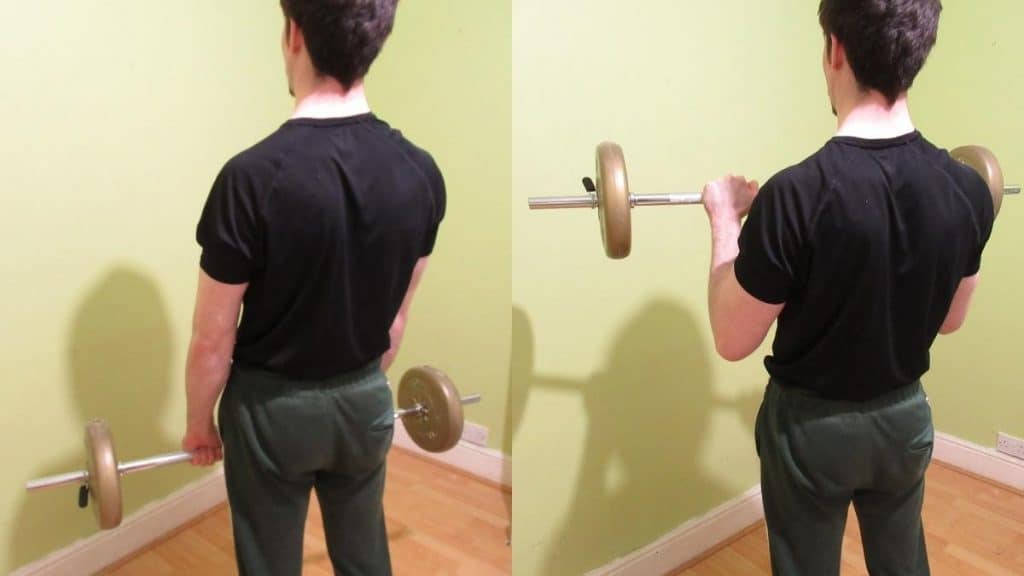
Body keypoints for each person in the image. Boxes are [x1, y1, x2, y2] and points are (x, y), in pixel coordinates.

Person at [700, 1, 992, 574]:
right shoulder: (967, 190)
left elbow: (732, 338)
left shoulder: (795, 195)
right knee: (903, 563)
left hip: (812, 434)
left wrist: (724, 223)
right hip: (905, 421)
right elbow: (951, 319)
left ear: (835, 49)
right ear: (918, 51)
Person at [179, 1, 445, 574]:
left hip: (272, 414)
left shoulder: (248, 179)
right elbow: (395, 323)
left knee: (270, 561)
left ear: (293, 33)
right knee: (364, 552)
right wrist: (360, 388)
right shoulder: (421, 172)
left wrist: (200, 424)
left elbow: (212, 341)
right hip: (366, 400)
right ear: (374, 43)